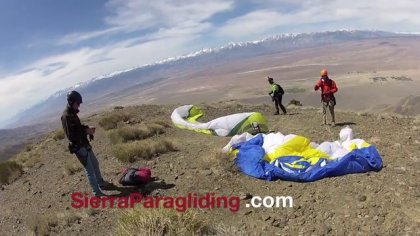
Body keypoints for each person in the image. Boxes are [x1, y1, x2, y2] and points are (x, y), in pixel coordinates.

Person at [61, 91, 113, 196]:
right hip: (79, 147)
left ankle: (100, 183)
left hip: (84, 144)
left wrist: (86, 129)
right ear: (71, 102)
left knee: (95, 164)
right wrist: (86, 131)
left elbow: (78, 128)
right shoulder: (66, 116)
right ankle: (97, 192)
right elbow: (71, 136)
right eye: (77, 103)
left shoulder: (73, 114)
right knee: (90, 170)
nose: (79, 105)